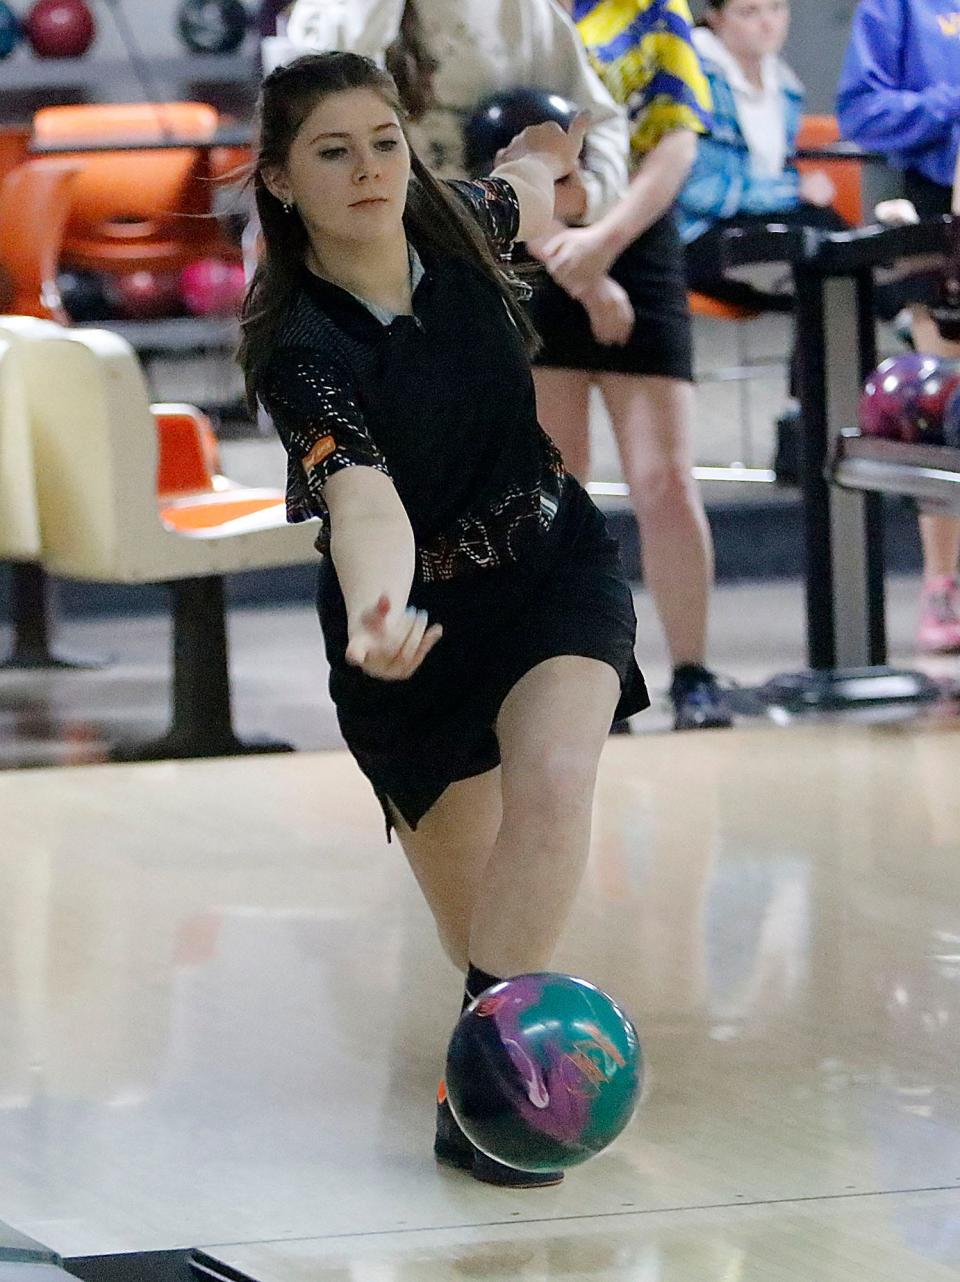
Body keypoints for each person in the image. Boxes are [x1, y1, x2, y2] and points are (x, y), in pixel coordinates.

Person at [239, 51, 649, 1187]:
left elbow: (526, 172)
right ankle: (484, 1071)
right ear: (280, 180)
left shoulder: (460, 222)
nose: (371, 168)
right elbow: (360, 497)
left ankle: (504, 1096)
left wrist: (556, 156)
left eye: (384, 140)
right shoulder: (300, 350)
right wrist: (380, 603)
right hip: (409, 639)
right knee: (487, 940)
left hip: (552, 565)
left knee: (556, 782)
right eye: (334, 150)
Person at [525, 0, 733, 729]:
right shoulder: (514, 13)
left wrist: (605, 246)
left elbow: (676, 143)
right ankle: (580, 681)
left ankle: (694, 674)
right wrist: (569, 260)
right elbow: (480, 147)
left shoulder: (654, 11)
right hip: (532, 239)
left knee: (665, 480)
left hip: (636, 241)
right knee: (558, 486)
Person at [837, 0, 960, 655]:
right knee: (946, 401)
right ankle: (944, 584)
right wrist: (949, 104)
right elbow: (863, 110)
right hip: (935, 211)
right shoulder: (897, 8)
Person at [677, 0, 845, 312]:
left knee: (839, 245)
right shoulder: (694, 76)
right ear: (716, 18)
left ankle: (891, 309)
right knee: (822, 260)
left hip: (760, 216)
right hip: (697, 232)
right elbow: (697, 191)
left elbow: (770, 169)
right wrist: (792, 190)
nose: (768, 23)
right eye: (749, 12)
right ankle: (898, 312)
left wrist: (797, 186)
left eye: (776, 8)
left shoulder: (783, 81)